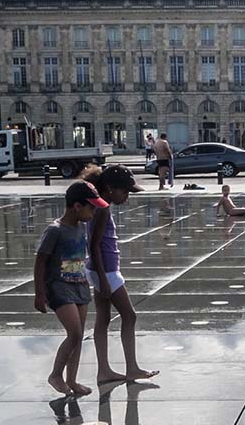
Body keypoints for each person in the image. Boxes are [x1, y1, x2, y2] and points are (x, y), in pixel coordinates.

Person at [79, 165, 158, 385]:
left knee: (103, 319)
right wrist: (104, 280)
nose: (127, 197)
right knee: (129, 316)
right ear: (110, 188)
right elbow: (94, 246)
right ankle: (131, 368)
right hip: (106, 271)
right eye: (125, 192)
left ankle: (104, 370)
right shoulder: (102, 209)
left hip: (98, 269)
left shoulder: (98, 205)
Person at [34, 180, 108, 395]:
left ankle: (72, 380)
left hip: (79, 286)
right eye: (91, 207)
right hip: (58, 287)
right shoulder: (54, 230)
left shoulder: (82, 227)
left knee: (79, 335)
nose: (93, 212)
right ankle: (55, 374)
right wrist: (40, 293)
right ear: (77, 206)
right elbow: (40, 261)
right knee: (74, 333)